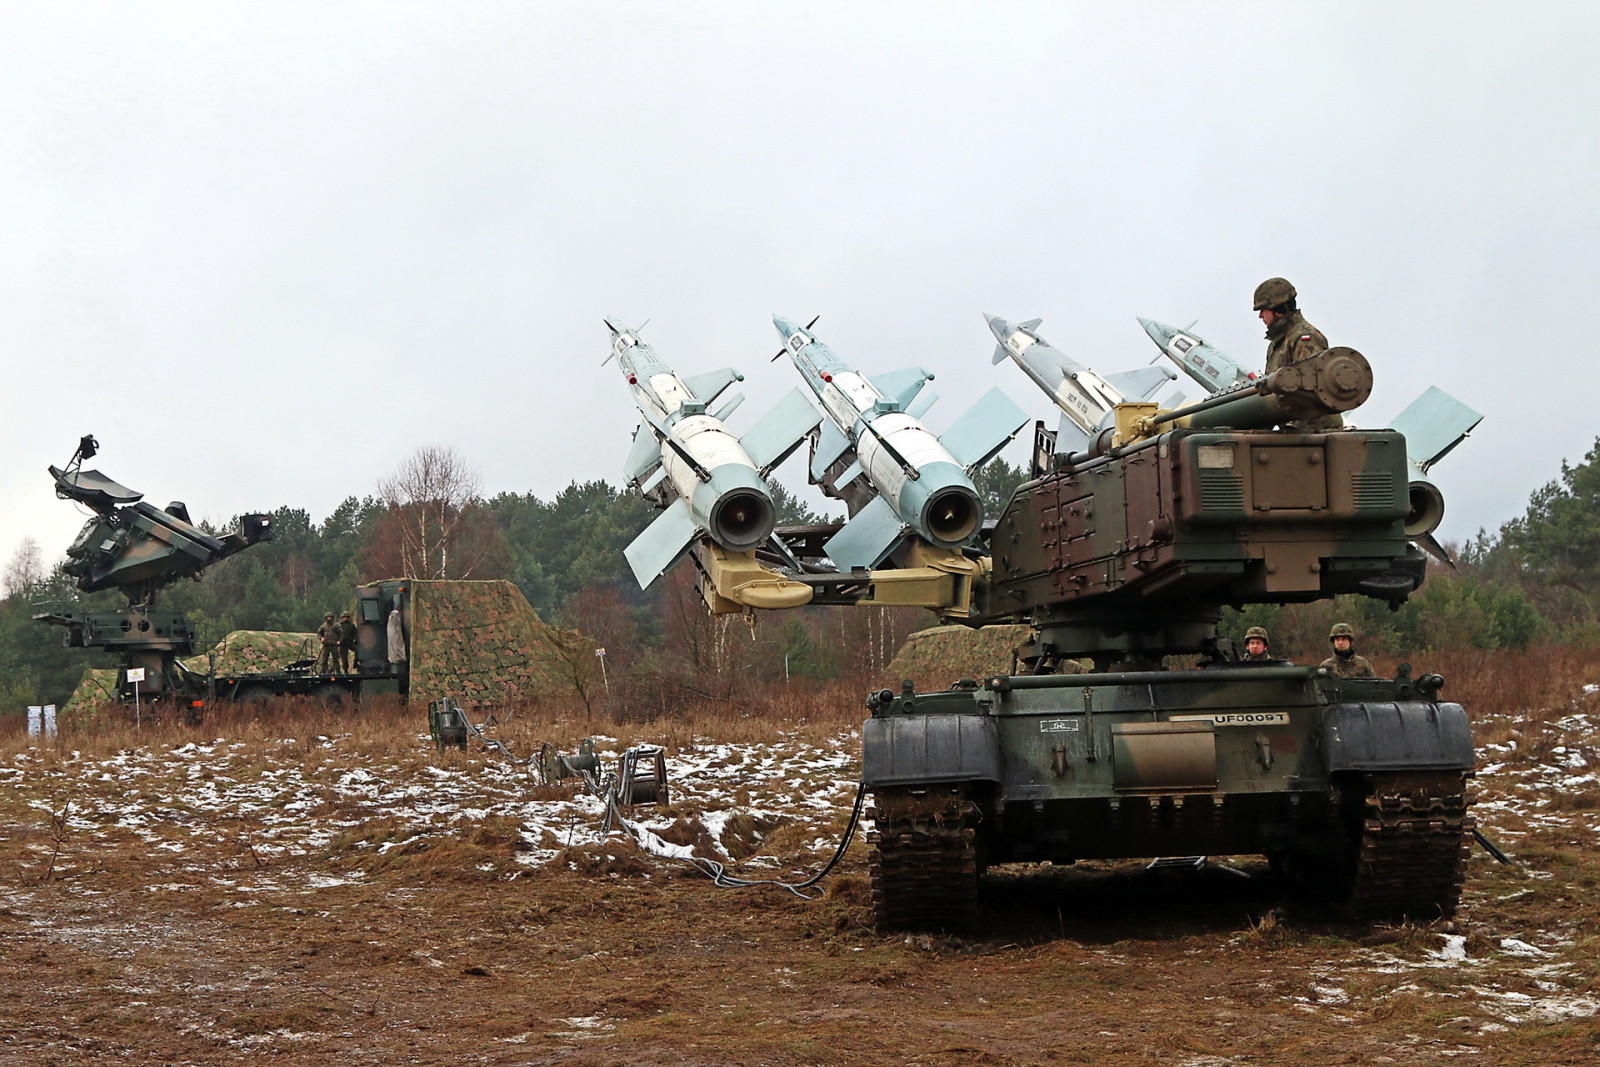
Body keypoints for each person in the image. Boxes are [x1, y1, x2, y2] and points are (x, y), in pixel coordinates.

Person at [1254, 276, 1340, 430]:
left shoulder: (1305, 338)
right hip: (1295, 431)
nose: (1260, 316)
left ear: (1277, 310)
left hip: (1314, 432)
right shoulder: (1278, 342)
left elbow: (1308, 391)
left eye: (1262, 310)